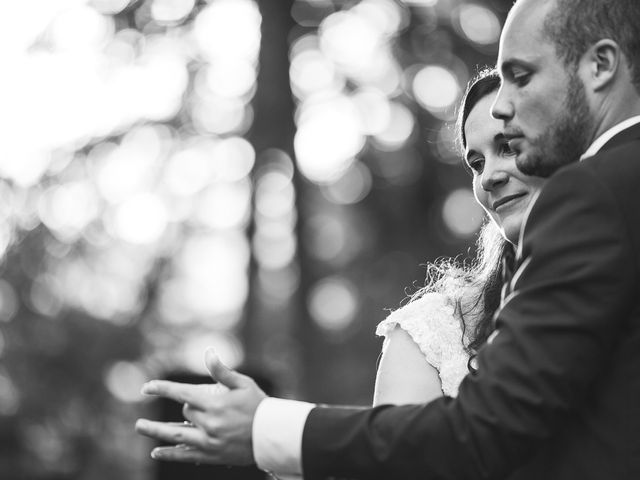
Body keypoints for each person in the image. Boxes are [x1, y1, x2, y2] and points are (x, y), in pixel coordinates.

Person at [135, 0, 640, 477]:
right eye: (475, 162)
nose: (506, 109)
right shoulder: (434, 326)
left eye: (522, 78)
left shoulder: (595, 192)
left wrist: (269, 427)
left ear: (601, 66)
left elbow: (485, 428)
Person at [374, 69, 544, 405]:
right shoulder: (431, 334)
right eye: (477, 164)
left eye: (508, 147)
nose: (488, 179)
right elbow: (394, 449)